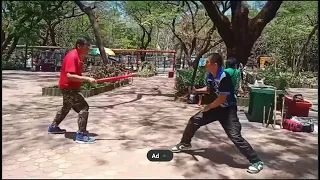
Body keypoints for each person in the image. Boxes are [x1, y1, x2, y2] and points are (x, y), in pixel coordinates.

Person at [171, 53, 264, 174]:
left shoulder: (224, 77)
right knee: (194, 120)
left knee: (235, 136)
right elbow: (209, 89)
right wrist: (197, 90)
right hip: (217, 107)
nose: (205, 64)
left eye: (207, 62)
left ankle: (256, 161)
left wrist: (208, 106)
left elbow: (222, 99)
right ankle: (185, 143)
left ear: (215, 65)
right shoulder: (210, 75)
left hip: (228, 111)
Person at [48, 37, 97, 144]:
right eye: (86, 46)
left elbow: (75, 74)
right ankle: (81, 135)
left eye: (89, 45)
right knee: (84, 107)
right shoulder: (72, 56)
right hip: (68, 88)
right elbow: (70, 76)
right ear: (79, 46)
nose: (89, 48)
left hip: (69, 87)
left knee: (66, 107)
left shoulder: (78, 56)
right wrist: (87, 79)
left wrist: (84, 78)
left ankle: (53, 127)